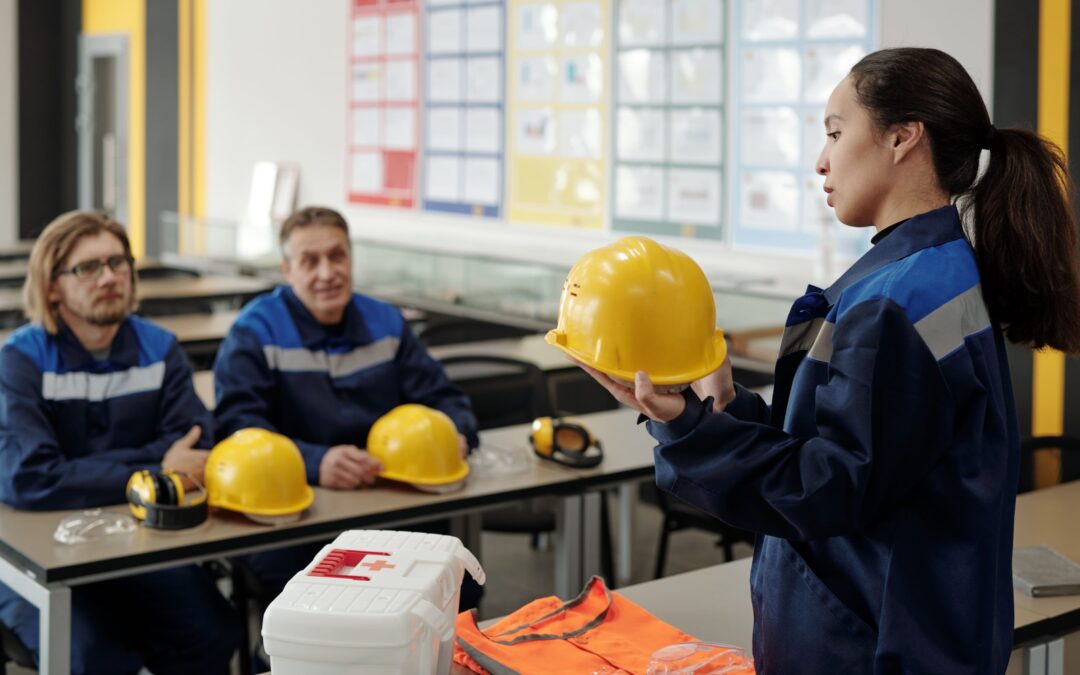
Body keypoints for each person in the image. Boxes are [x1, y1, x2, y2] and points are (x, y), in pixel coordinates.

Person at [578, 48, 1080, 674]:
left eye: (836, 133)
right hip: (913, 629)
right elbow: (854, 454)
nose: (822, 160)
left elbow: (830, 490)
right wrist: (724, 411)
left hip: (873, 647)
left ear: (902, 137)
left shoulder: (894, 302)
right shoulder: (936, 275)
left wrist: (688, 428)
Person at [0, 211, 239, 674]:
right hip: (37, 552)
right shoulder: (20, 360)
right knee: (92, 657)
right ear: (52, 286)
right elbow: (30, 477)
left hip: (138, 540)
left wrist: (84, 469)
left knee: (211, 630)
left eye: (117, 263)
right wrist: (153, 469)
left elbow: (192, 445)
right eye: (87, 268)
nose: (108, 277)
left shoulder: (159, 347)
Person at [212, 206, 479, 600]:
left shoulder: (386, 322)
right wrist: (317, 462)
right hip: (296, 513)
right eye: (310, 261)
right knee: (323, 611)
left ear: (351, 258)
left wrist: (456, 430)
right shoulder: (254, 332)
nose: (327, 273)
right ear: (287, 270)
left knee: (455, 591)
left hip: (390, 502)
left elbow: (443, 397)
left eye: (337, 256)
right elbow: (238, 429)